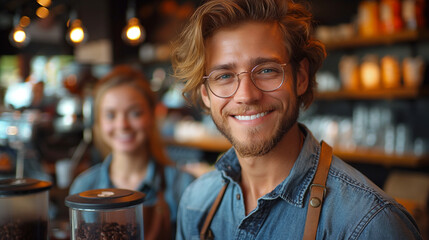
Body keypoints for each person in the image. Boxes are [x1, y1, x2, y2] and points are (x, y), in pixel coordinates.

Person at [171, 0, 422, 239]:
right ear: (205, 95)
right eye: (224, 76)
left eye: (267, 70)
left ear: (300, 77)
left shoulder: (371, 224)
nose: (246, 95)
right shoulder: (195, 203)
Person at [69, 65, 195, 240]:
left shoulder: (183, 186)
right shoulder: (84, 187)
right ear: (98, 122)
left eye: (135, 113)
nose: (122, 125)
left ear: (152, 116)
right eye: (111, 115)